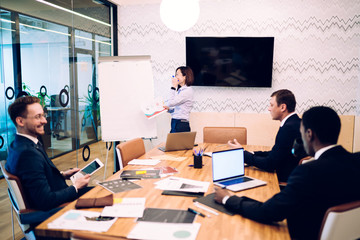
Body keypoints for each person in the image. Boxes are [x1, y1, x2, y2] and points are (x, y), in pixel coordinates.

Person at [214, 106, 360, 240]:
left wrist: (228, 199)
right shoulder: (357, 160)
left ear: (309, 134)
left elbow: (269, 212)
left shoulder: (307, 172)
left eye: (301, 133)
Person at [6, 96, 91, 212]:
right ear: (20, 121)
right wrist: (76, 186)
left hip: (60, 195)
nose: (44, 121)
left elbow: (34, 177)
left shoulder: (18, 144)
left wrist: (62, 175)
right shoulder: (28, 154)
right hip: (60, 210)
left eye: (43, 115)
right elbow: (45, 201)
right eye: (38, 117)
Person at [228, 89, 302, 182]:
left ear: (283, 107)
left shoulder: (288, 128)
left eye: (271, 105)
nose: (269, 108)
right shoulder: (295, 122)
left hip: (282, 180)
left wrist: (241, 154)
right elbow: (276, 154)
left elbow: (269, 164)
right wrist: (250, 153)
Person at [163, 66, 194, 133]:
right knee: (173, 143)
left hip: (181, 124)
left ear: (184, 77)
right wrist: (169, 109)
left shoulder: (187, 91)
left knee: (176, 143)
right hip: (176, 122)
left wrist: (173, 86)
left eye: (177, 74)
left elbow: (171, 103)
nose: (175, 77)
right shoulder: (181, 90)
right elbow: (178, 108)